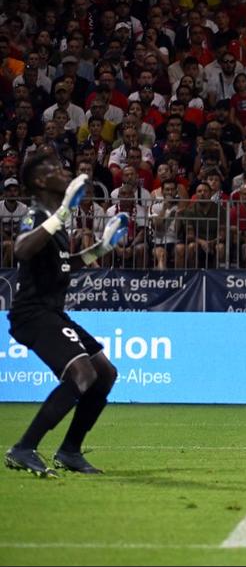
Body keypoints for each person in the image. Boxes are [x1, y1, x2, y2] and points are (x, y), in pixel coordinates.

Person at [4, 151, 129, 477]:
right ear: (41, 180)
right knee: (82, 375)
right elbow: (20, 249)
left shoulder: (56, 221)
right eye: (57, 169)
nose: (65, 171)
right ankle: (23, 448)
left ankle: (70, 450)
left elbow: (63, 265)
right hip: (31, 314)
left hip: (53, 313)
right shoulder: (37, 216)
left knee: (105, 373)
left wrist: (101, 247)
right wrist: (61, 214)